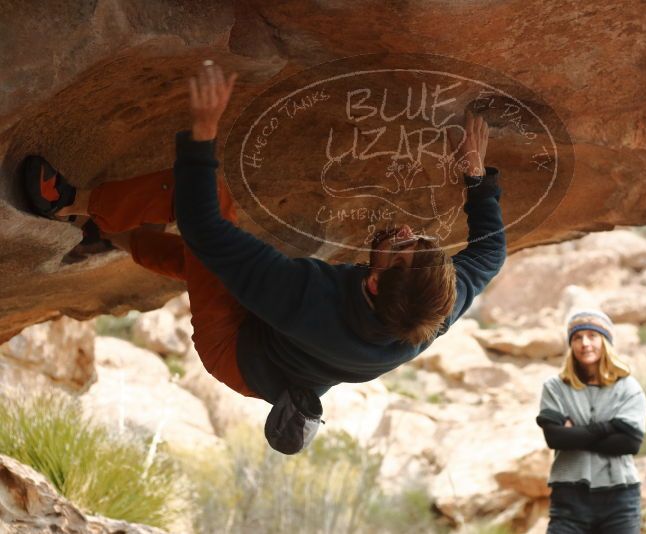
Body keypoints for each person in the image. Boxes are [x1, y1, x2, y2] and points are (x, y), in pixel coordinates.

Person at [21, 63, 506, 455]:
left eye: (400, 247)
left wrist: (203, 134)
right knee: (206, 266)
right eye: (418, 239)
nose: (404, 232)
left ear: (376, 284)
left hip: (235, 353)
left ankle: (66, 202)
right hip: (279, 355)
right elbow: (491, 252)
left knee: (209, 209)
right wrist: (475, 175)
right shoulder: (428, 311)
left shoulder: (307, 301)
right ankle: (106, 234)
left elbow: (206, 228)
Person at [536, 309, 646, 533]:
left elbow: (629, 444)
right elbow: (555, 438)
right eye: (577, 337)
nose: (585, 343)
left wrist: (575, 433)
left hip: (620, 499)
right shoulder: (555, 387)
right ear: (571, 344)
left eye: (592, 336)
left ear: (605, 341)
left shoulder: (628, 387)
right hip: (568, 498)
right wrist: (610, 427)